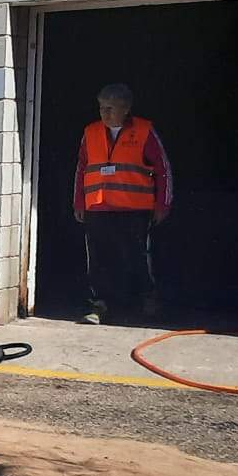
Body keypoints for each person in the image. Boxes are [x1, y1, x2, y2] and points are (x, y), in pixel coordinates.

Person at [73, 83, 173, 325]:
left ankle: (148, 298)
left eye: (110, 108)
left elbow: (163, 170)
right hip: (98, 206)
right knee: (98, 258)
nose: (104, 113)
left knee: (137, 256)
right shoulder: (91, 132)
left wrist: (162, 204)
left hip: (134, 209)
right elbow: (81, 169)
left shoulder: (144, 131)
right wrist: (79, 202)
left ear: (126, 109)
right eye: (101, 108)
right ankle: (99, 305)